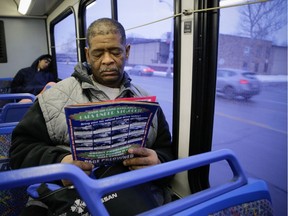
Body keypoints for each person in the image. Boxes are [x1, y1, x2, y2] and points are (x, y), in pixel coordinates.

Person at [9, 18, 175, 214]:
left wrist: (157, 162)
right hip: (69, 193)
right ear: (87, 54)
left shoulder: (145, 101)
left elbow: (165, 149)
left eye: (115, 51)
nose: (107, 60)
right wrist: (61, 164)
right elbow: (19, 151)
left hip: (132, 190)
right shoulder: (54, 98)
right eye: (98, 53)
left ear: (127, 51)